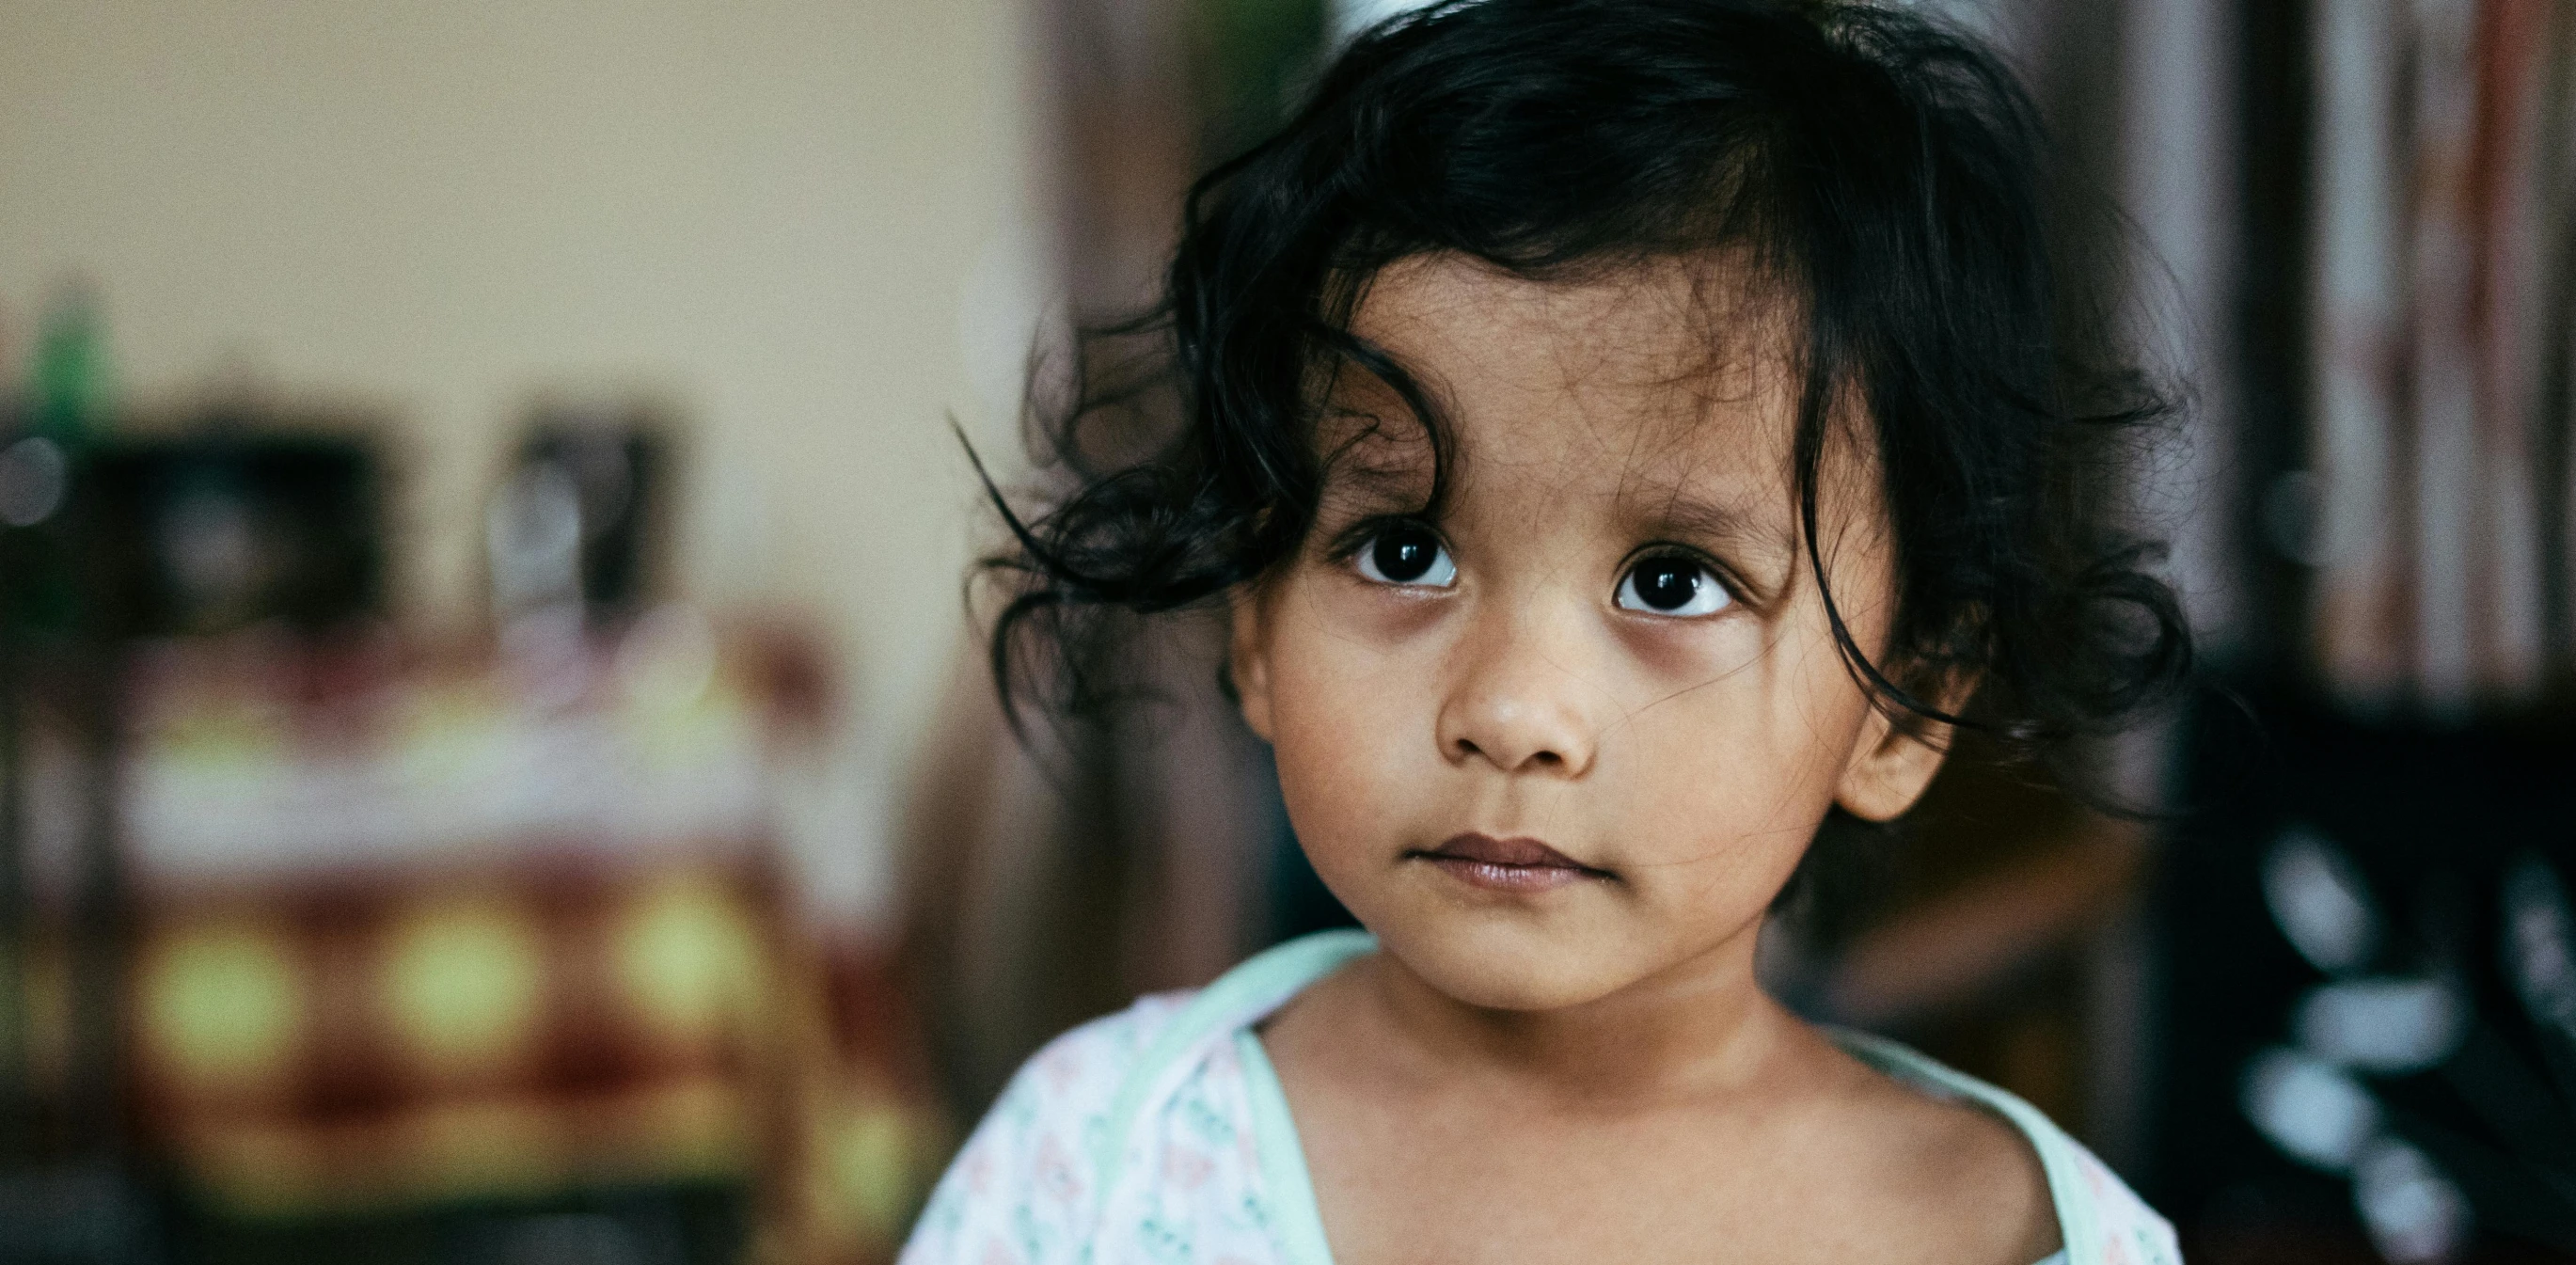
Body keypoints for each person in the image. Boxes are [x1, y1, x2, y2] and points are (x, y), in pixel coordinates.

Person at [906, 1, 2191, 1261]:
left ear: (1900, 706)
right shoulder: (1100, 1162)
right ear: (1253, 625)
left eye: (1673, 582)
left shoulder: (2016, 1233)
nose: (1512, 713)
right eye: (1403, 553)